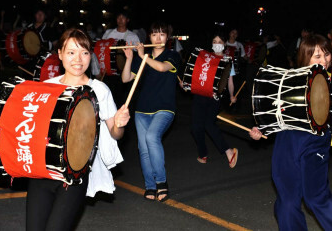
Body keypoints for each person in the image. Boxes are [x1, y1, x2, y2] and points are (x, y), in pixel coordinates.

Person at [26, 28, 130, 230]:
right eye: (71, 52)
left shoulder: (99, 89)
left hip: (74, 178)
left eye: (84, 52)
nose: (78, 59)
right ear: (60, 54)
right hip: (42, 174)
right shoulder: (46, 87)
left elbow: (115, 134)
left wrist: (119, 123)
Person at [249, 34, 332, 230]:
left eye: (327, 54)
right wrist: (260, 129)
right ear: (305, 58)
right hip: (287, 141)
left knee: (316, 197)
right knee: (287, 201)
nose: (324, 60)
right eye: (317, 56)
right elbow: (272, 107)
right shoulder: (289, 78)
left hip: (317, 142)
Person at [121, 21, 181, 202]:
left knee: (151, 138)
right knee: (143, 149)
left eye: (162, 34)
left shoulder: (173, 55)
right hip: (142, 110)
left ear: (167, 38)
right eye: (154, 34)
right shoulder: (141, 57)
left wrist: (143, 57)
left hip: (165, 108)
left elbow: (162, 68)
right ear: (149, 37)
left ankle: (161, 183)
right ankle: (150, 185)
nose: (158, 38)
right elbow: (125, 79)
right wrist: (131, 58)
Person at [188, 33, 238, 167]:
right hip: (199, 95)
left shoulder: (228, 61)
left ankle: (229, 151)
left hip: (214, 97)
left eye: (219, 41)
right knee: (196, 127)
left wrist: (232, 95)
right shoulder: (205, 57)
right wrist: (188, 84)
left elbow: (230, 82)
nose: (216, 44)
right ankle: (202, 154)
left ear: (224, 44)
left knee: (209, 124)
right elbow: (197, 74)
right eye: (214, 41)